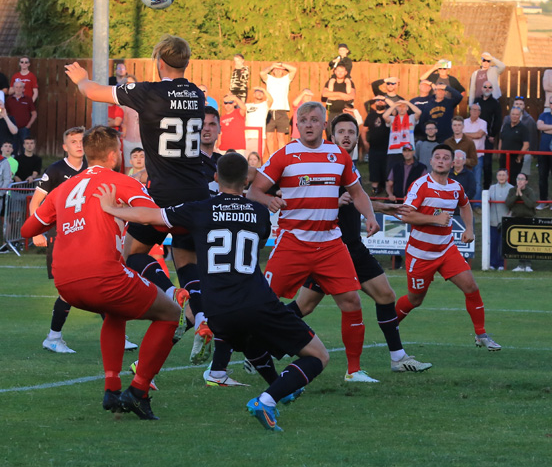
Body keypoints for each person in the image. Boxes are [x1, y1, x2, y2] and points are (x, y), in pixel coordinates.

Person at [96, 151, 329, 430]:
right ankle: (267, 399)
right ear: (245, 181)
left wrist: (113, 209)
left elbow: (150, 216)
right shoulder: (258, 212)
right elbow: (260, 238)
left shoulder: (200, 209)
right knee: (318, 356)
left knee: (249, 341)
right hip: (255, 299)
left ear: (216, 178)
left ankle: (258, 376)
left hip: (216, 308)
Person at [21, 126, 189, 420]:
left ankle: (112, 387)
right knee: (171, 314)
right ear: (114, 155)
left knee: (116, 312)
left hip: (65, 284)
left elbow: (27, 230)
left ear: (86, 154)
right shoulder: (121, 182)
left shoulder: (64, 188)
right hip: (102, 275)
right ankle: (138, 391)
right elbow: (158, 222)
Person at [64, 34, 212, 363]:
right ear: (186, 62)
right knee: (187, 261)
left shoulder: (150, 92)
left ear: (159, 60)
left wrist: (81, 79)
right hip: (197, 192)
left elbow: (93, 92)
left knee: (132, 254)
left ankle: (173, 294)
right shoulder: (198, 95)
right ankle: (200, 317)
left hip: (163, 194)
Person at [248, 101, 381, 383]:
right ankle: (249, 355)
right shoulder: (284, 155)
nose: (308, 124)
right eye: (304, 120)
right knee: (263, 302)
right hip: (293, 241)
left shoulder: (338, 156)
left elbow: (357, 193)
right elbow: (254, 191)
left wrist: (370, 216)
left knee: (351, 301)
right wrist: (268, 198)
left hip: (330, 243)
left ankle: (354, 371)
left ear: (324, 126)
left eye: (314, 120)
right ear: (297, 125)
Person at [297, 115, 432, 374]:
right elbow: (306, 196)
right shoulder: (324, 163)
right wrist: (333, 201)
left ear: (357, 138)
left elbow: (356, 199)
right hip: (329, 249)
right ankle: (262, 344)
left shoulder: (350, 165)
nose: (346, 135)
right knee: (307, 305)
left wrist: (384, 208)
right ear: (332, 136)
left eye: (351, 132)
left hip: (353, 246)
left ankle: (398, 357)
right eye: (341, 132)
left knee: (385, 295)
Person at [395, 144, 501, 351]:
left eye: (446, 157)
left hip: (446, 250)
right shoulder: (420, 186)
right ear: (431, 162)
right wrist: (434, 219)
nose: (441, 160)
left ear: (452, 164)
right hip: (421, 254)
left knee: (471, 287)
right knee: (415, 300)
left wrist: (469, 228)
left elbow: (465, 204)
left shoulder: (455, 187)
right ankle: (390, 325)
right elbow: (405, 214)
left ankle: (481, 335)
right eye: (437, 157)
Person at [29, 126, 88, 353]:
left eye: (82, 140)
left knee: (102, 280)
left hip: (88, 235)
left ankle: (117, 336)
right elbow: (36, 203)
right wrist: (36, 231)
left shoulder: (92, 169)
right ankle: (53, 337)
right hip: (62, 236)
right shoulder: (54, 170)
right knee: (70, 289)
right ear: (65, 147)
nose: (79, 144)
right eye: (74, 141)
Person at [260, 61, 298, 159]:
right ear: (272, 71)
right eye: (275, 69)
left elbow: (294, 69)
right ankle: (272, 157)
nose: (278, 70)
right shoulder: (269, 79)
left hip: (282, 110)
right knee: (269, 136)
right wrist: (272, 65)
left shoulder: (286, 79)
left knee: (281, 136)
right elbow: (262, 73)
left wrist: (282, 64)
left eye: (280, 69)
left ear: (283, 71)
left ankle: (282, 157)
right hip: (270, 110)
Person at [505, 172, 537, 272]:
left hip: (528, 219)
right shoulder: (512, 190)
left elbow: (531, 204)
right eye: (518, 179)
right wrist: (516, 193)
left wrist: (521, 194)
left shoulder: (530, 191)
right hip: (516, 219)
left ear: (526, 181)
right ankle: (520, 264)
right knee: (518, 243)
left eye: (522, 179)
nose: (520, 181)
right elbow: (508, 203)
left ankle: (528, 264)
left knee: (528, 243)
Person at [383, 99, 421, 169]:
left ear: (407, 108)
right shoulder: (392, 119)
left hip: (408, 150)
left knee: (407, 173)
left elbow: (419, 112)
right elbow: (385, 116)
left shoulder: (411, 118)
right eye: (399, 107)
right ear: (397, 108)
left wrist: (407, 102)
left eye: (404, 107)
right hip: (393, 151)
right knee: (391, 174)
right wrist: (394, 105)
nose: (402, 108)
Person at [488, 169, 513, 270]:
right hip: (493, 220)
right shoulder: (492, 188)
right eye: (499, 175)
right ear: (497, 177)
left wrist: (509, 217)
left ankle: (501, 264)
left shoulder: (511, 188)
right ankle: (492, 263)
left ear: (507, 176)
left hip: (506, 221)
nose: (502, 177)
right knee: (493, 243)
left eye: (503, 175)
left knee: (502, 244)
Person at [462, 103, 488, 199]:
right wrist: (470, 134)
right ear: (470, 111)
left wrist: (464, 134)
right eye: (473, 109)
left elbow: (479, 135)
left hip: (478, 156)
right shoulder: (463, 122)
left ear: (480, 112)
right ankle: (465, 203)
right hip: (465, 156)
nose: (475, 112)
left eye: (477, 110)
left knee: (477, 181)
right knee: (465, 180)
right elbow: (459, 136)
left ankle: (476, 204)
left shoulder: (483, 123)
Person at [499, 107, 529, 181]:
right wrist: (499, 153)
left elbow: (526, 145)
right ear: (510, 115)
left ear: (520, 116)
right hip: (503, 157)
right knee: (502, 178)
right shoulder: (505, 126)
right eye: (513, 114)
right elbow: (501, 140)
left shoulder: (523, 128)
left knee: (513, 179)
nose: (514, 116)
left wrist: (519, 157)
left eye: (517, 114)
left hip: (515, 159)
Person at [244, 87, 271, 158]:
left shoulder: (265, 105)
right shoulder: (247, 105)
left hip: (259, 137)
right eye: (257, 91)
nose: (259, 93)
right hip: (246, 137)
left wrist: (264, 90)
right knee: (246, 160)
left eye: (261, 92)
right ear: (253, 94)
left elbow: (271, 100)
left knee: (256, 160)